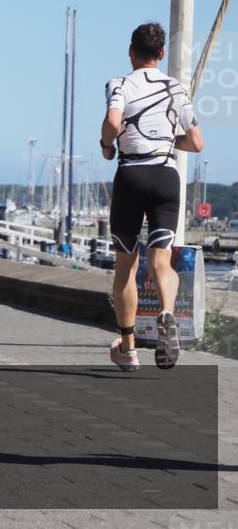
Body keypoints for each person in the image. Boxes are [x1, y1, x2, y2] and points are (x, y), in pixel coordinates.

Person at [102, 22, 204, 372]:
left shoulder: (120, 84)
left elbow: (113, 122)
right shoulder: (176, 88)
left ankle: (128, 349)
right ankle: (166, 313)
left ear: (131, 51)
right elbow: (196, 142)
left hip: (131, 175)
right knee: (161, 260)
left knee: (126, 267)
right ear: (161, 54)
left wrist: (106, 146)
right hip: (165, 175)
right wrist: (167, 140)